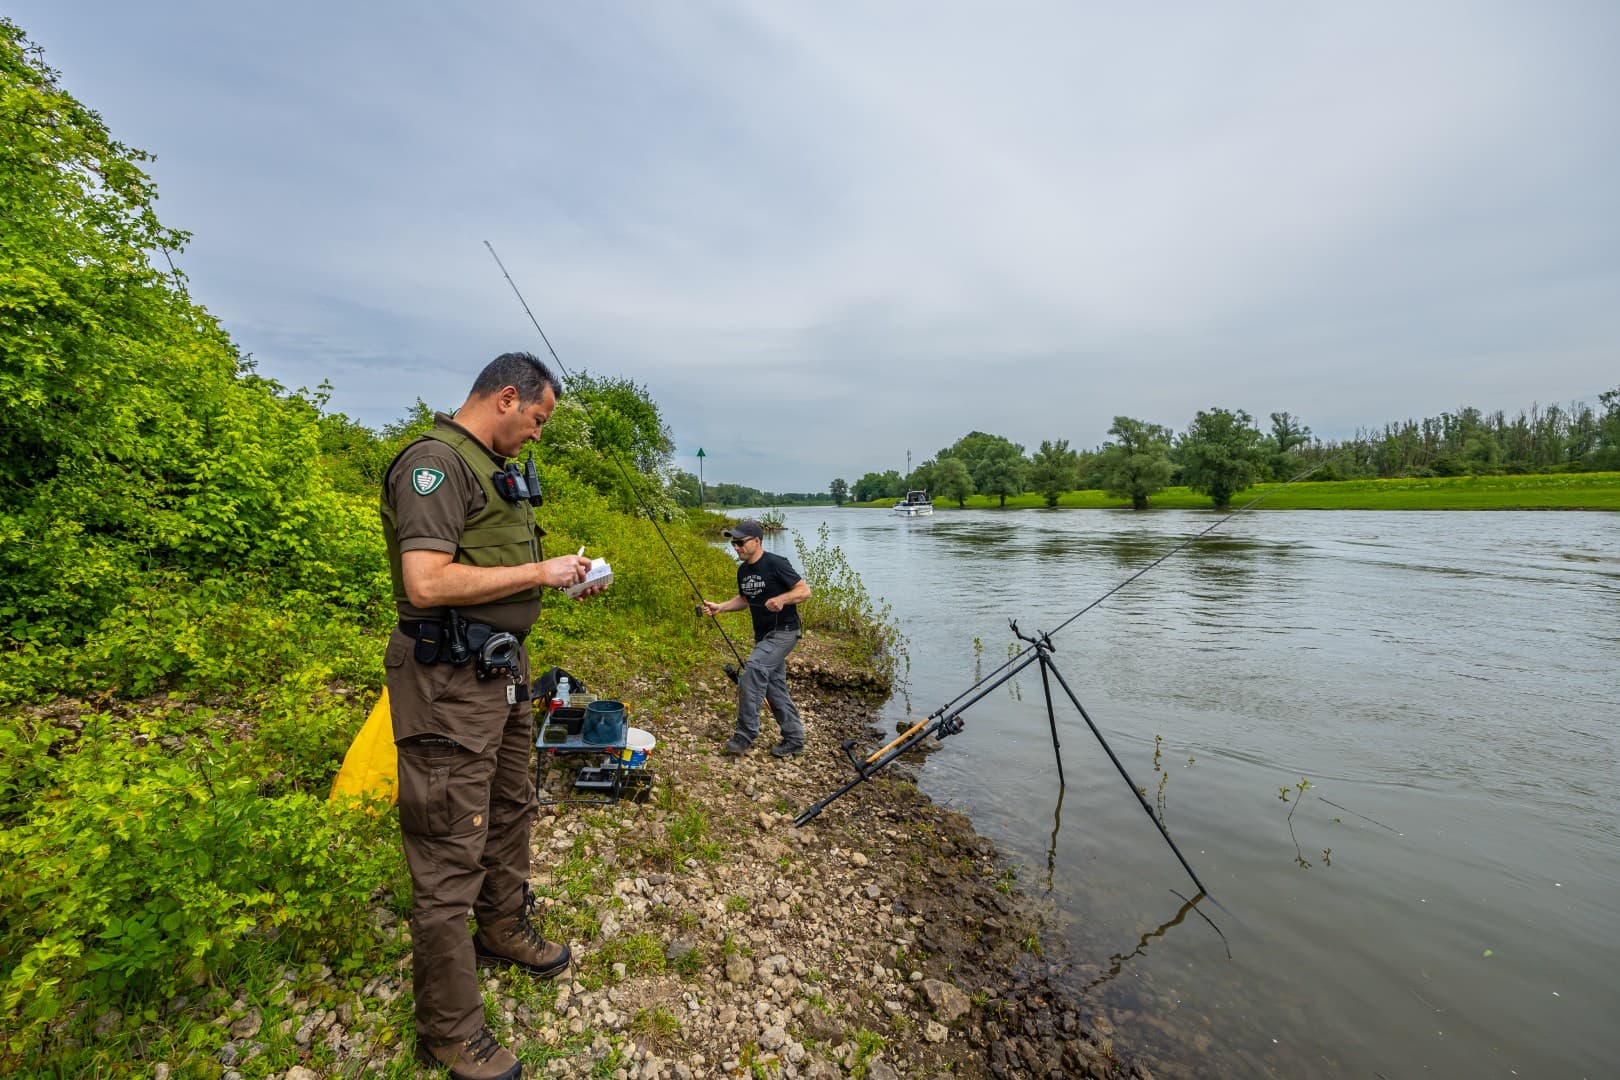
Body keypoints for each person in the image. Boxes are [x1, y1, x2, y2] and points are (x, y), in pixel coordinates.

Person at [379, 351, 600, 1080]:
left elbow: (488, 571)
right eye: (537, 420)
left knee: (511, 806)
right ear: (508, 397)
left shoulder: (489, 468)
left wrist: (557, 583)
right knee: (449, 845)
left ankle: (502, 926)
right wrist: (540, 571)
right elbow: (427, 578)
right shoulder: (435, 465)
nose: (537, 434)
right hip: (448, 679)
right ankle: (447, 1028)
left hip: (503, 668)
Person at [699, 519, 812, 757]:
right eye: (733, 543)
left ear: (756, 541)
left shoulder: (775, 563)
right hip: (763, 636)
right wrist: (720, 607)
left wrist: (782, 599)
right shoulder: (743, 571)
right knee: (773, 686)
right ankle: (794, 739)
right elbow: (744, 599)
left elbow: (803, 591)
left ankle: (745, 735)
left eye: (740, 542)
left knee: (753, 671)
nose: (736, 547)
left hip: (784, 631)